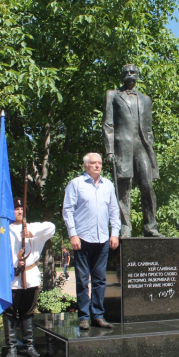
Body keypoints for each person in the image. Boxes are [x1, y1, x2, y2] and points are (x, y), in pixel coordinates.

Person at [103, 64, 163, 238]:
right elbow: (108, 124)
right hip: (122, 147)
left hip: (141, 146)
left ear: (138, 76)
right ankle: (125, 227)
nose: (130, 75)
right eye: (126, 73)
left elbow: (148, 127)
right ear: (122, 76)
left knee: (147, 186)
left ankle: (151, 227)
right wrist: (109, 150)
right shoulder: (112, 95)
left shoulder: (146, 99)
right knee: (123, 189)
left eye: (133, 72)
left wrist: (149, 144)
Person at [62, 153, 121, 329]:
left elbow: (114, 211)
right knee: (81, 279)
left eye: (100, 163)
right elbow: (67, 211)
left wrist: (115, 233)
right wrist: (72, 234)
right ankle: (84, 317)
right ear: (86, 165)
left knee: (100, 280)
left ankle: (98, 315)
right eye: (94, 163)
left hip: (102, 238)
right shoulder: (76, 184)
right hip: (82, 239)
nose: (97, 166)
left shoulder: (108, 185)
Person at [4, 197, 55, 357]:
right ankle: (11, 347)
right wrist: (14, 262)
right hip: (12, 277)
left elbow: (51, 228)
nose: (19, 211)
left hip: (31, 277)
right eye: (16, 209)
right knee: (10, 313)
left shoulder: (33, 227)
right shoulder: (4, 229)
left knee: (28, 312)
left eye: (22, 209)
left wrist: (31, 233)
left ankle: (29, 345)